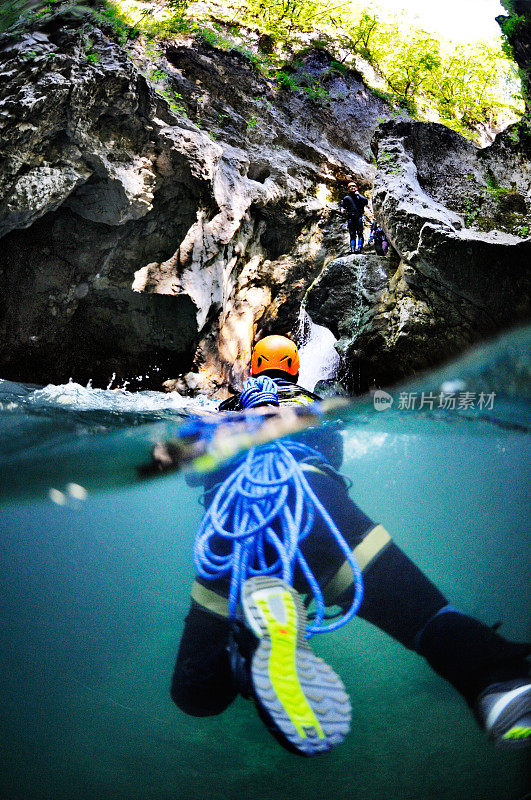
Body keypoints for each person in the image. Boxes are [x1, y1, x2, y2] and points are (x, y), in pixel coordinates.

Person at [170, 335, 531, 756]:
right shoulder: (315, 404)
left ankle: (250, 655)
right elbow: (332, 451)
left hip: (235, 527)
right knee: (427, 621)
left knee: (195, 693)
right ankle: (497, 686)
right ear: (293, 369)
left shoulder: (224, 410)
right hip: (319, 510)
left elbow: (194, 469)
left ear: (252, 368)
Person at [341, 182, 369, 253]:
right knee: (352, 234)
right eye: (351, 187)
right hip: (351, 218)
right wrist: (342, 209)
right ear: (348, 189)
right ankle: (352, 249)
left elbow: (366, 202)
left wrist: (359, 194)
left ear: (356, 188)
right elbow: (342, 205)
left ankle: (359, 249)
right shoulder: (347, 198)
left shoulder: (360, 197)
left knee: (360, 233)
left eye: (354, 187)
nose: (352, 188)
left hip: (359, 217)